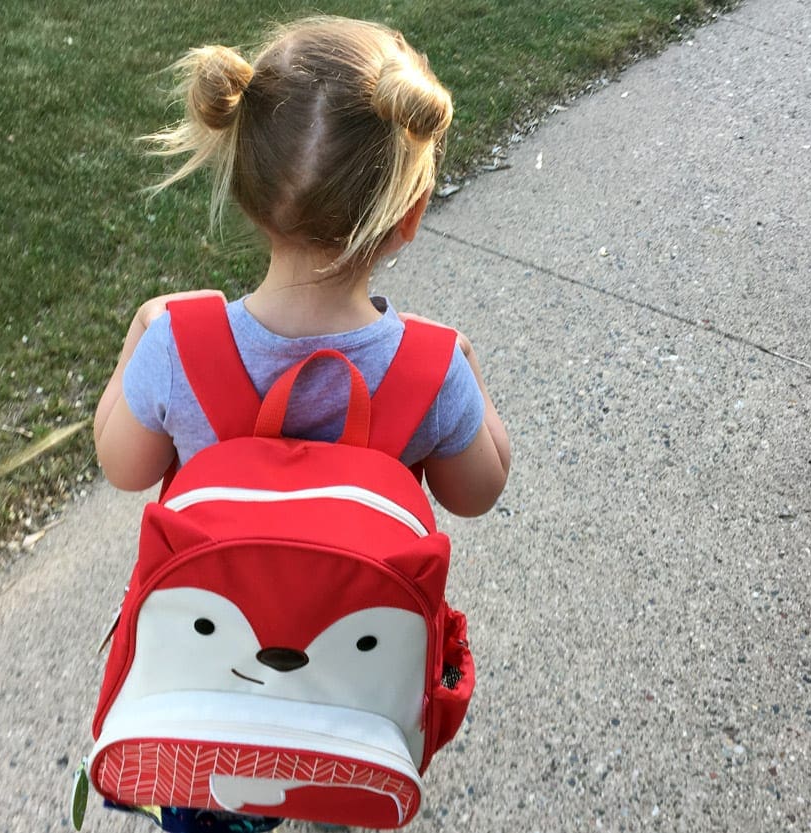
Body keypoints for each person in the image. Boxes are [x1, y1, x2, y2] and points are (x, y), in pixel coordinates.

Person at [92, 15, 511, 832]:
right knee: (346, 767)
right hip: (350, 692)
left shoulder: (181, 344)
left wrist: (138, 335)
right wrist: (467, 366)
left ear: (246, 190)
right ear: (410, 214)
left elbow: (123, 462)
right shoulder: (429, 368)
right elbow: (480, 487)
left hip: (211, 691)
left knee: (214, 802)